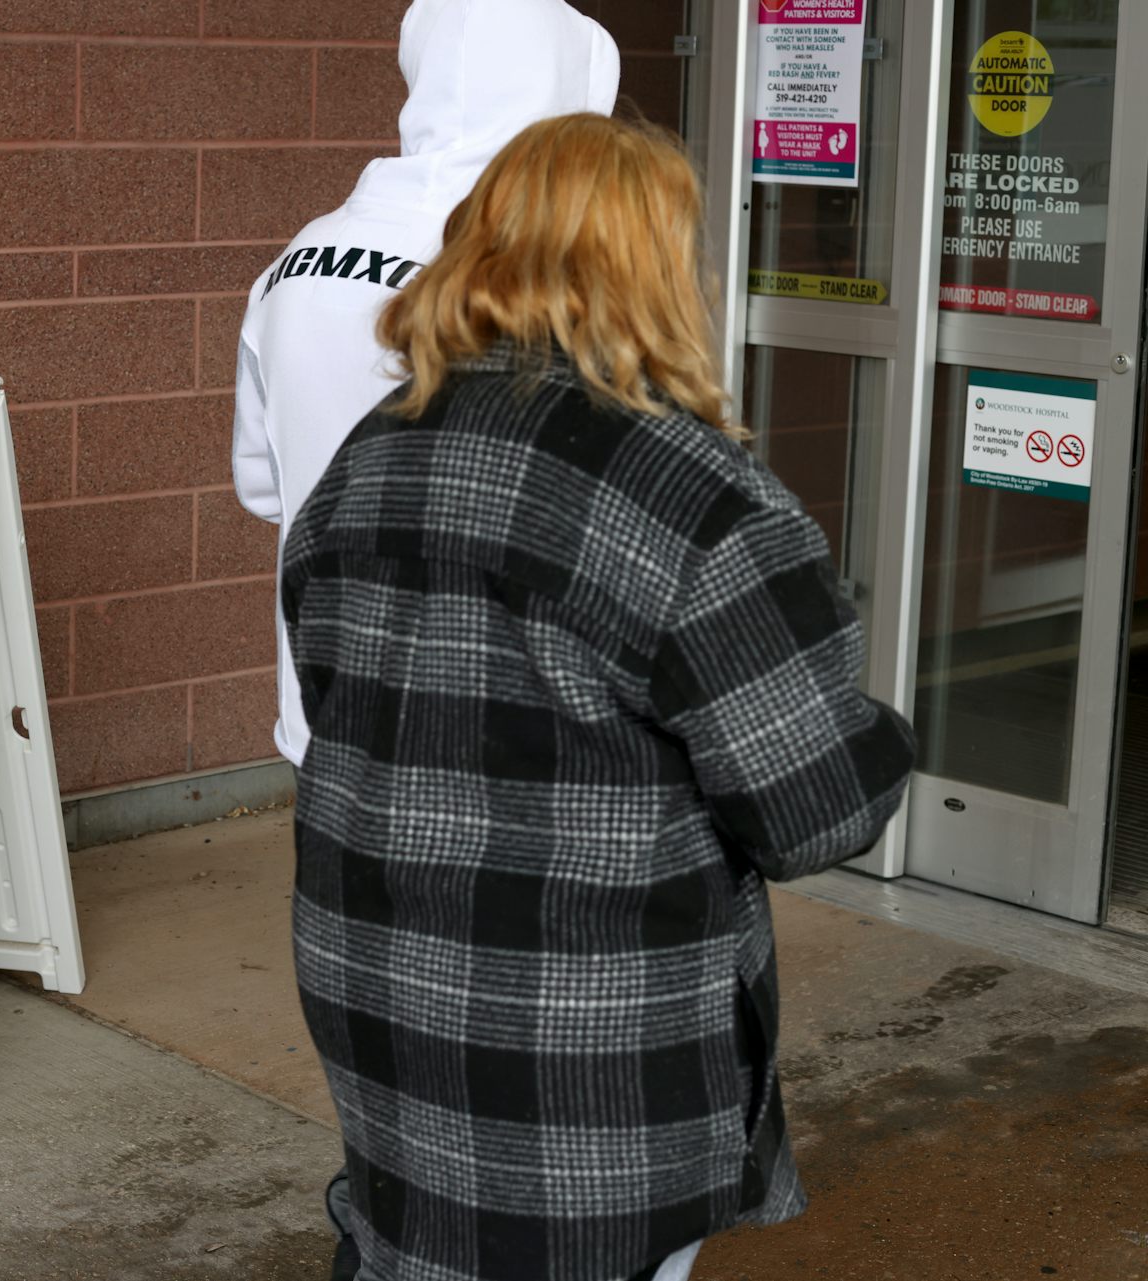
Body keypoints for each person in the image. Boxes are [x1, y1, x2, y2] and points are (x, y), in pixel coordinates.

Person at [280, 114, 918, 1281]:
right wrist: (883, 733)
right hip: (584, 1040)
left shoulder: (368, 458)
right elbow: (817, 812)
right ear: (659, 268)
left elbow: (332, 700)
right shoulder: (694, 498)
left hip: (377, 988)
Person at [231, 0, 621, 770]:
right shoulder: (531, 288)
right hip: (491, 741)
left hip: (325, 711)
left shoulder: (296, 261)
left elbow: (261, 486)